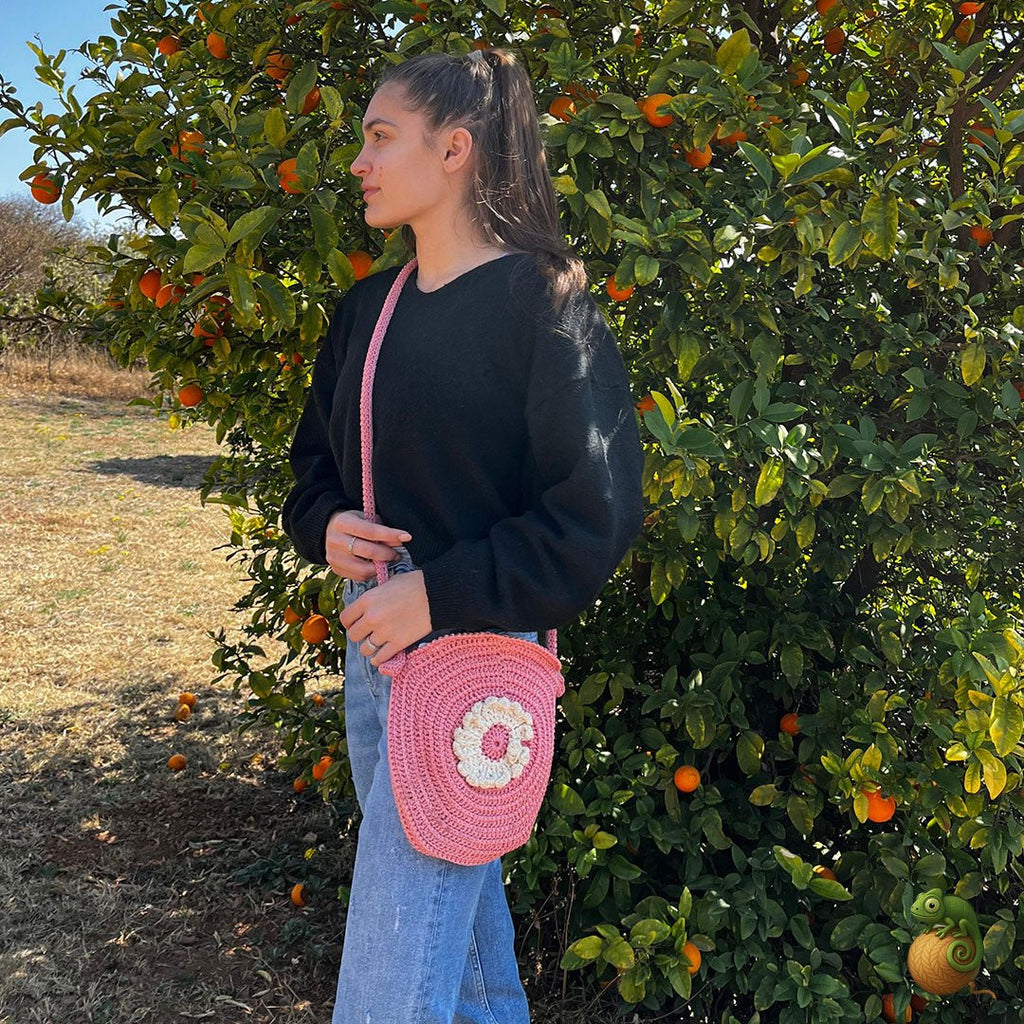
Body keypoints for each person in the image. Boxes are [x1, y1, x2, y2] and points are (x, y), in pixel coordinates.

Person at [280, 46, 645, 1024]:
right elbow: (311, 468)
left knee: (390, 978)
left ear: (454, 149)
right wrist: (329, 528)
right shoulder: (368, 310)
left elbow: (595, 516)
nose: (357, 161)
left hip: (475, 662)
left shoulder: (544, 302)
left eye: (378, 136)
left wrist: (432, 594)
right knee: (466, 953)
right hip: (373, 654)